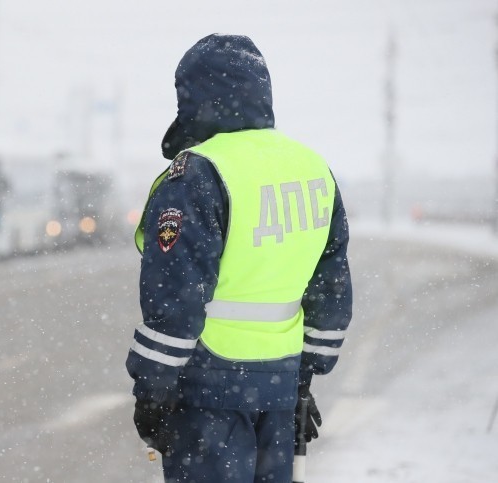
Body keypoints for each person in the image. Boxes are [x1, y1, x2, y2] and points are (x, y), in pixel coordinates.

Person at [125, 34, 352, 482]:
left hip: (211, 387)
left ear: (197, 95)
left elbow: (175, 297)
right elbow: (331, 289)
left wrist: (152, 392)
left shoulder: (200, 173)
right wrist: (304, 379)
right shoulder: (312, 169)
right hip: (281, 385)